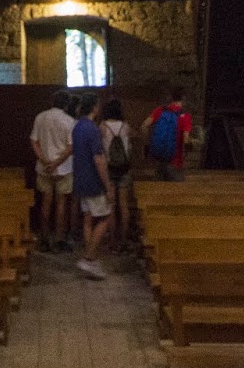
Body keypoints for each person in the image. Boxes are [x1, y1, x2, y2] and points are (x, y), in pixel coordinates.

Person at [69, 92, 112, 280]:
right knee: (105, 217)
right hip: (94, 180)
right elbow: (98, 160)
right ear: (95, 107)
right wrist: (107, 185)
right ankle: (88, 258)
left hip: (80, 178)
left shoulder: (77, 127)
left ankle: (92, 260)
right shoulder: (92, 129)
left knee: (88, 219)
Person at [28, 90, 74, 251]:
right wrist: (56, 163)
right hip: (63, 168)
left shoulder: (40, 117)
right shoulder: (69, 121)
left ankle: (44, 238)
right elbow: (70, 147)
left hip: (44, 167)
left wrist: (44, 160)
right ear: (66, 105)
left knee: (45, 202)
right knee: (61, 203)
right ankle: (59, 239)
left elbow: (34, 141)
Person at [99, 97, 134, 252]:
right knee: (124, 205)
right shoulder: (126, 126)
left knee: (111, 205)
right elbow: (129, 147)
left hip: (109, 168)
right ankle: (124, 240)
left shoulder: (103, 126)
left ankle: (112, 240)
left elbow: (100, 149)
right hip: (124, 169)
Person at [142, 85, 193, 181]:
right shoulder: (185, 116)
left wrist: (148, 144)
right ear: (183, 99)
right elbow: (186, 139)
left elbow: (144, 125)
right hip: (175, 163)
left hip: (158, 161)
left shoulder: (160, 110)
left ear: (171, 98)